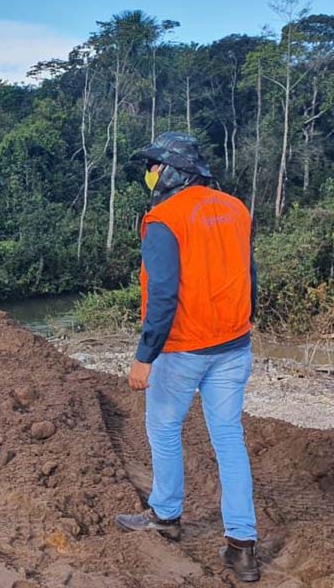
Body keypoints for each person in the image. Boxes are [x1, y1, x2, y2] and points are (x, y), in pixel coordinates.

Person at [115, 133, 259, 583]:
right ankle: (242, 546)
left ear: (173, 171)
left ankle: (165, 515)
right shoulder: (235, 208)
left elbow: (162, 295)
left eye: (156, 166)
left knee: (163, 427)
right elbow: (249, 275)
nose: (151, 174)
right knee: (229, 439)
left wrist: (144, 357)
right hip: (234, 345)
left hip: (182, 349)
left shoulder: (163, 219)